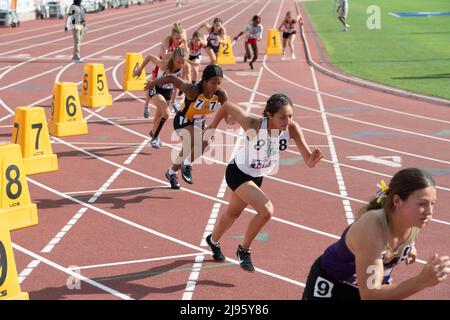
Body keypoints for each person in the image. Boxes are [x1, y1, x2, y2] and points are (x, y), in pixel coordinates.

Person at [204, 94, 323, 272]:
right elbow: (227, 106)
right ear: (269, 115)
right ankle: (244, 250)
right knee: (266, 211)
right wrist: (212, 128)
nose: (287, 121)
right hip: (238, 173)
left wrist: (312, 160)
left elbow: (308, 160)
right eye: (282, 117)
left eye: (290, 116)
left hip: (257, 176)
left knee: (233, 213)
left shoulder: (292, 129)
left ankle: (212, 240)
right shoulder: (254, 124)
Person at [302, 168, 449, 300]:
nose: (429, 212)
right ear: (397, 201)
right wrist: (422, 280)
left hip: (365, 286)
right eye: (422, 204)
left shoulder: (413, 221)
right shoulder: (371, 229)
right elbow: (371, 295)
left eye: (432, 204)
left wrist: (410, 247)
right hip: (333, 286)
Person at [144, 65, 228, 189]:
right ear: (205, 80)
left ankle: (171, 173)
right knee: (197, 139)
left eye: (218, 83)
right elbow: (172, 78)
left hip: (199, 123)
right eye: (213, 83)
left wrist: (232, 119)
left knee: (203, 144)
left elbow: (227, 112)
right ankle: (187, 165)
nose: (215, 86)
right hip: (183, 120)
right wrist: (153, 83)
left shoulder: (221, 94)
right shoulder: (192, 90)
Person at [133, 47, 191, 149]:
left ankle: (153, 133)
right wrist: (140, 69)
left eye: (183, 62)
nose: (181, 65)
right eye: (178, 62)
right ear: (173, 59)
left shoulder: (185, 66)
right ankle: (154, 138)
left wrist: (184, 92)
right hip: (155, 89)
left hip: (168, 92)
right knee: (167, 113)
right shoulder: (164, 65)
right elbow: (150, 57)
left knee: (159, 118)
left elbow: (185, 81)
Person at [141, 22, 187, 119]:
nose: (179, 40)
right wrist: (176, 53)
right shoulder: (167, 41)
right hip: (162, 66)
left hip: (174, 68)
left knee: (176, 86)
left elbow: (186, 55)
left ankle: (173, 102)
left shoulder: (182, 42)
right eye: (177, 38)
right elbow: (165, 56)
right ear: (172, 36)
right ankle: (146, 106)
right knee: (152, 84)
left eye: (180, 38)